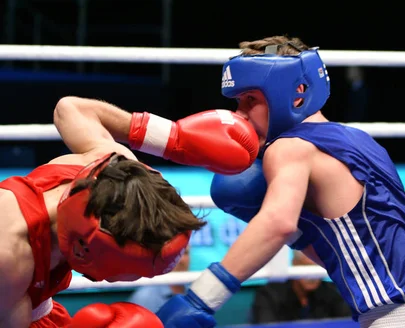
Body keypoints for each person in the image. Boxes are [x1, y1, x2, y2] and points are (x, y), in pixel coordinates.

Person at [156, 35, 405, 327]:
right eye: (238, 101)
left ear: (296, 93)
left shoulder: (290, 148)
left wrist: (201, 299)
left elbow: (277, 223)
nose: (241, 114)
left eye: (250, 99)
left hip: (403, 319)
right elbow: (343, 254)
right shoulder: (359, 141)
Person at [0, 96, 258, 327]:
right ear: (85, 247)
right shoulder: (10, 256)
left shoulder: (112, 168)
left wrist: (172, 138)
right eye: (133, 269)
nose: (132, 279)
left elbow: (70, 108)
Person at [250, 250, 352, 324]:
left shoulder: (331, 292)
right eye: (306, 266)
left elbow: (348, 323)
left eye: (316, 268)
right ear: (295, 264)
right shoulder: (269, 294)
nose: (311, 275)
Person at [128, 245, 191, 313]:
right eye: (176, 254)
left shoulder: (194, 292)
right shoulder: (144, 297)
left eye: (185, 253)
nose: (181, 260)